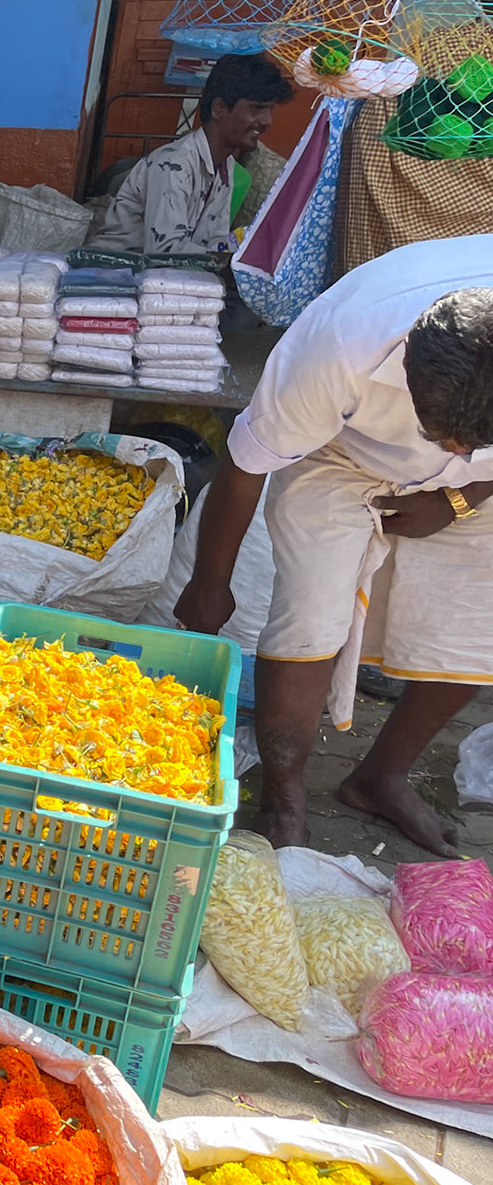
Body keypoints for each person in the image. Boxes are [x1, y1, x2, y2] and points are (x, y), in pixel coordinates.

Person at [175, 236, 493, 858]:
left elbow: (468, 455)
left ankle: (380, 779)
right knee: (309, 620)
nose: (454, 451)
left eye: (471, 440)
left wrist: (460, 495)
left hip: (482, 487)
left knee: (473, 628)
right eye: (442, 436)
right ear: (405, 367)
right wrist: (211, 583)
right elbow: (246, 466)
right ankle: (283, 800)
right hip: (340, 452)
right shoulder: (337, 348)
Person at [91, 54, 293, 256]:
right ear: (219, 108)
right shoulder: (174, 165)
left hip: (163, 279)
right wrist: (223, 262)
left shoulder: (225, 167)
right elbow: (164, 251)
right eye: (257, 108)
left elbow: (214, 244)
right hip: (113, 274)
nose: (267, 121)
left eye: (269, 110)